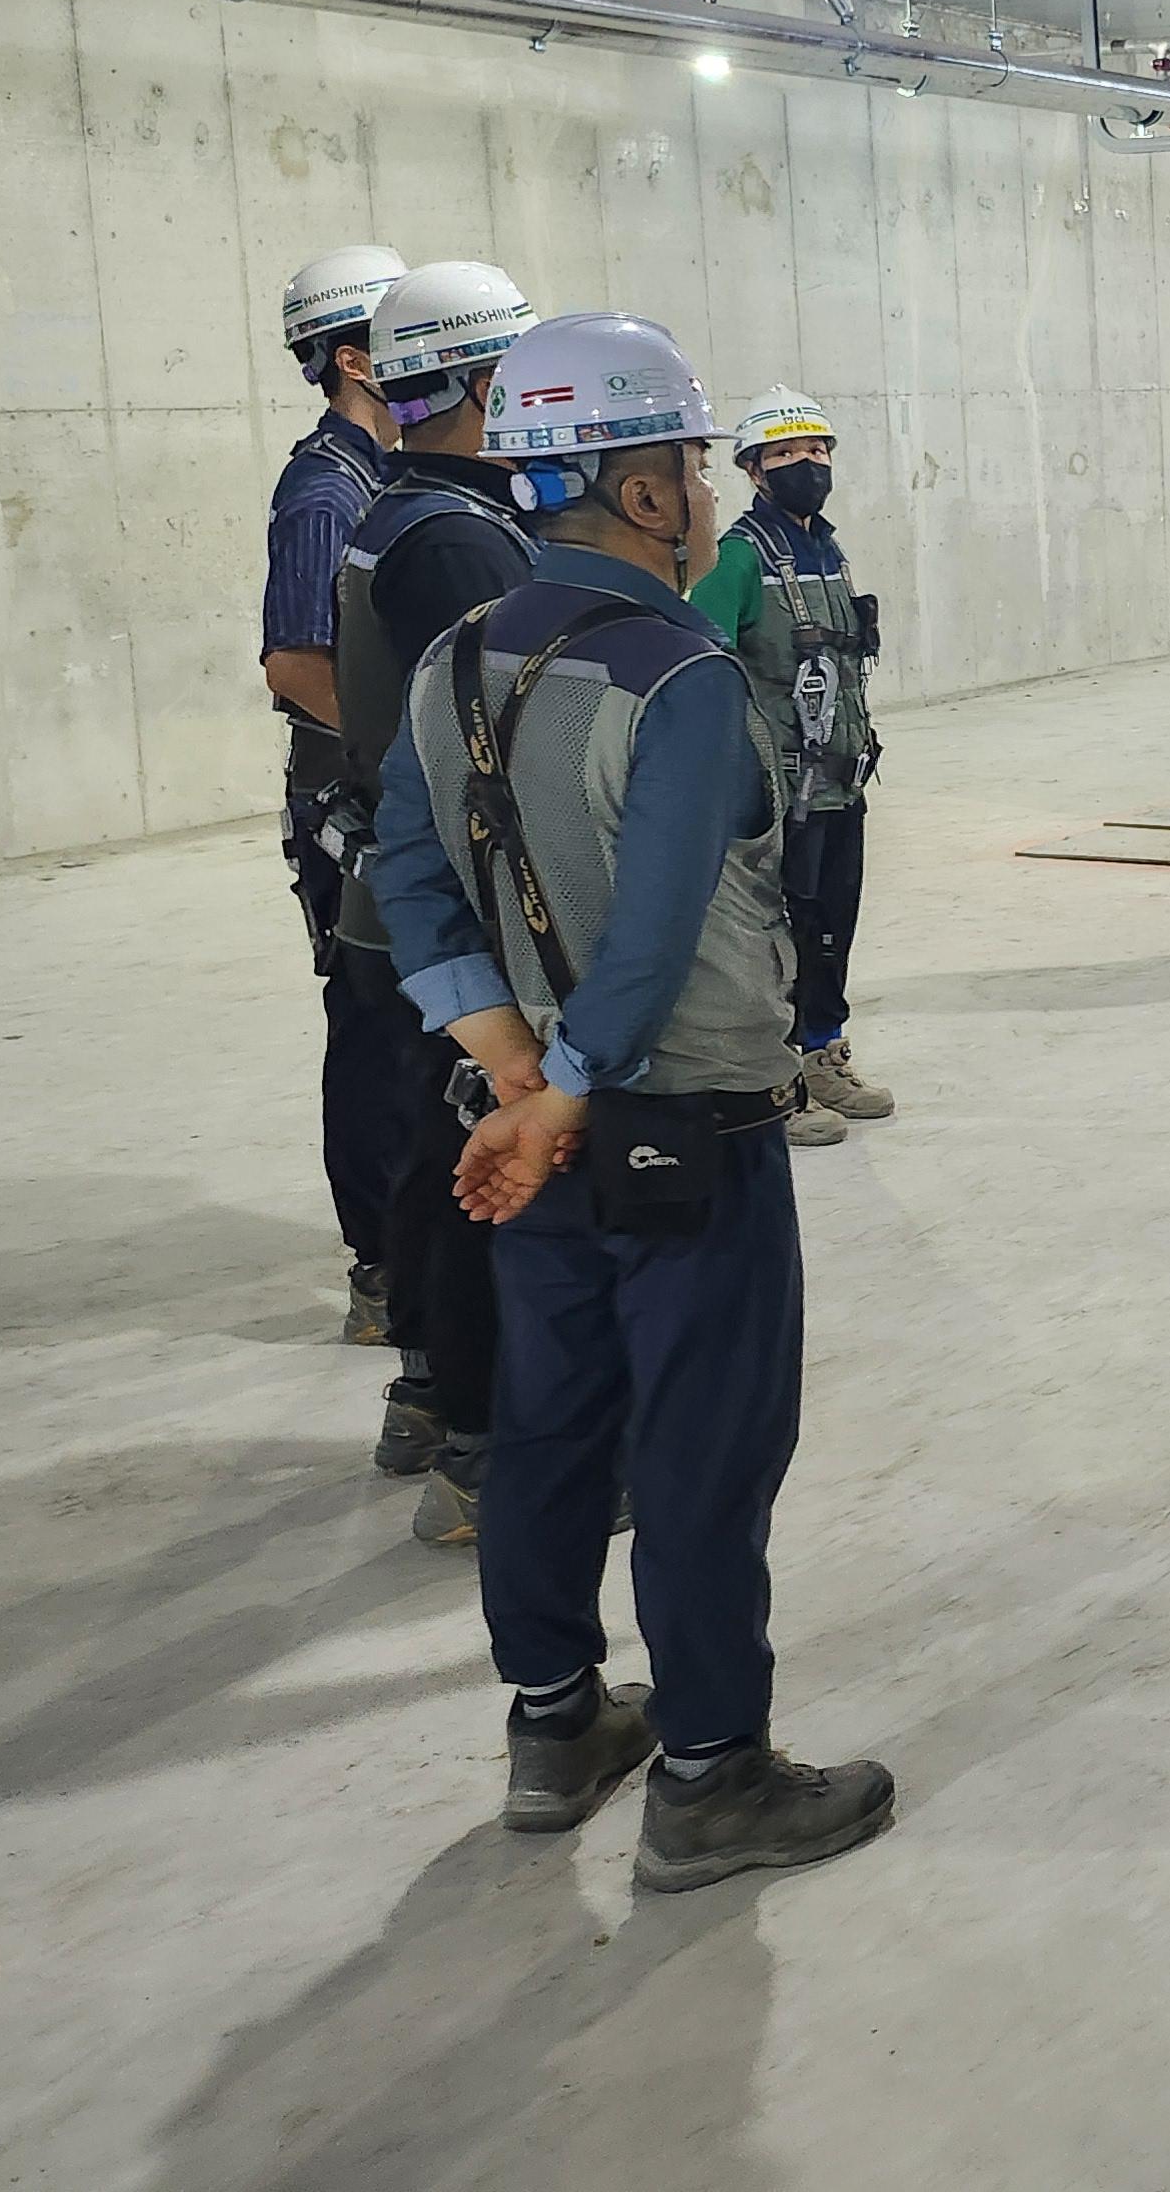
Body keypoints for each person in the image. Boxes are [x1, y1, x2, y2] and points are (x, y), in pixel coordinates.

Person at [368, 311, 895, 1892]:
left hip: (535, 1135)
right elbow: (657, 930)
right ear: (647, 491)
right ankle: (712, 1774)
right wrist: (575, 1085)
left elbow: (408, 870)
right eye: (694, 469)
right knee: (702, 1451)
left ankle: (554, 1725)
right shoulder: (678, 675)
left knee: (551, 1426)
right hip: (687, 1135)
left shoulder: (456, 661)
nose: (711, 496)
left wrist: (514, 1071)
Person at [328, 260, 540, 1545]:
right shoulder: (461, 538)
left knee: (429, 1156)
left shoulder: (401, 509)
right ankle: (480, 1450)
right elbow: (509, 738)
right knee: (480, 1175)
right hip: (453, 904)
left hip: (398, 897)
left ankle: (424, 1398)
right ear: (476, 380)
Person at [263, 242, 410, 1345]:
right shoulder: (326, 492)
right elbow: (295, 664)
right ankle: (382, 1268)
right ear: (354, 359)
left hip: (389, 790)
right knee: (371, 1029)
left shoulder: (389, 479)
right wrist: (404, 757)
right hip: (351, 806)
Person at [694, 390, 890, 1151]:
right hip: (779, 790)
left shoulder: (828, 552)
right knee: (777, 933)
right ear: (752, 470)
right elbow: (706, 667)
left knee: (833, 923)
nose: (807, 464)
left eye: (817, 451)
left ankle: (823, 1053)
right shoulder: (738, 558)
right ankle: (774, 1079)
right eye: (785, 454)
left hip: (840, 782)